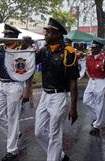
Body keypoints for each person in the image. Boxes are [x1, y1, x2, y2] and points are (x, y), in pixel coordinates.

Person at [34, 18, 79, 161]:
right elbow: (27, 62)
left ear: (58, 34)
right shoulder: (44, 50)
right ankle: (60, 155)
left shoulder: (69, 52)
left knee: (54, 135)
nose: (45, 35)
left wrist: (73, 107)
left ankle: (54, 157)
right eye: (46, 32)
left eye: (49, 32)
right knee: (39, 132)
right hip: (45, 95)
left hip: (59, 96)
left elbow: (73, 82)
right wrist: (24, 46)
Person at [0, 24, 31, 161]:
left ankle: (12, 150)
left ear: (13, 36)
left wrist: (27, 90)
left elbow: (29, 69)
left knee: (13, 117)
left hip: (15, 85)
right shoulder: (0, 48)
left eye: (7, 35)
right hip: (2, 84)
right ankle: (15, 133)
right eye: (4, 34)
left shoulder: (21, 49)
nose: (4, 37)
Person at [83, 40, 105, 136]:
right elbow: (87, 69)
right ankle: (98, 116)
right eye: (91, 47)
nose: (91, 49)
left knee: (99, 103)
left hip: (101, 81)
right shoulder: (88, 58)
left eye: (93, 47)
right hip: (91, 81)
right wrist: (90, 78)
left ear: (99, 48)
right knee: (86, 101)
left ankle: (96, 126)